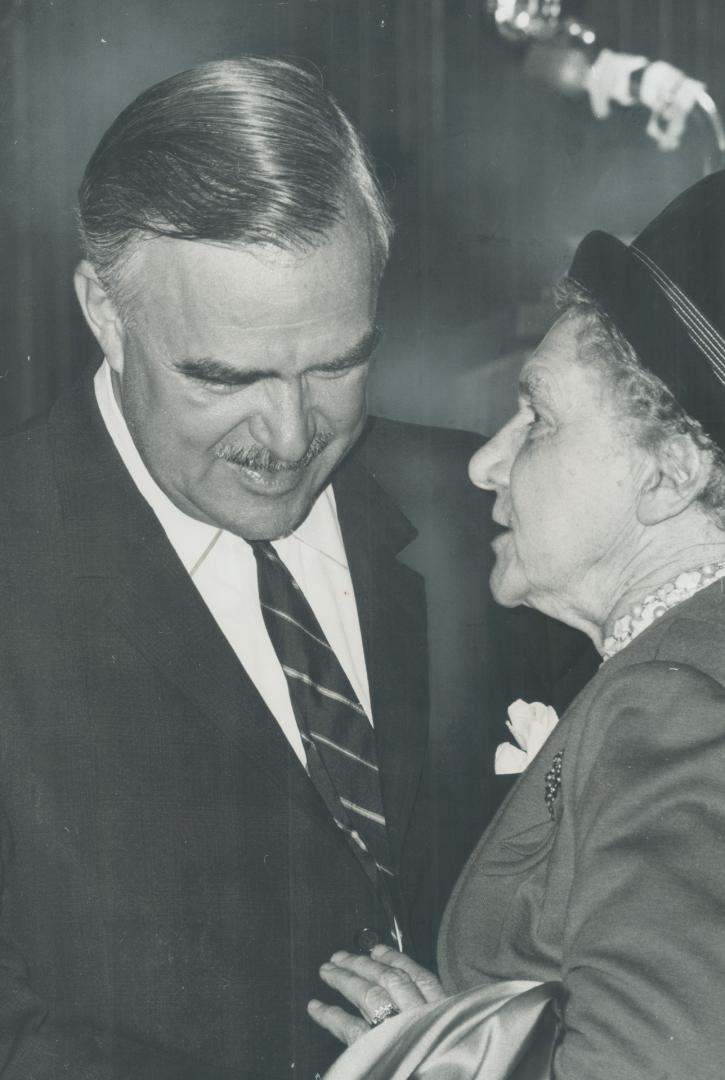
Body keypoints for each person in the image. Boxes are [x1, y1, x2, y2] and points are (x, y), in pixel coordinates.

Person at [0, 57, 594, 1079]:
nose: (289, 437)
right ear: (105, 311)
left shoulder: (476, 508)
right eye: (224, 378)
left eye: (334, 365)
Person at [310, 168, 725, 1080]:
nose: (486, 463)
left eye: (535, 418)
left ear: (670, 472)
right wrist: (474, 1032)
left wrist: (442, 1060)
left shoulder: (672, 702)